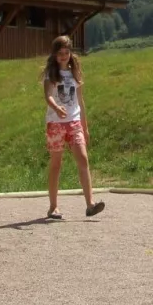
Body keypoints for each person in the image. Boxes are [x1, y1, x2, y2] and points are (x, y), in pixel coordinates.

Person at [42, 35, 104, 220]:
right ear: (54, 55)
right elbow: (48, 96)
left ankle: (90, 204)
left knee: (83, 159)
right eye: (60, 53)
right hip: (55, 124)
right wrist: (56, 107)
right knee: (56, 164)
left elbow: (80, 101)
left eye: (66, 52)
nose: (63, 56)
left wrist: (85, 127)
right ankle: (53, 207)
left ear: (70, 53)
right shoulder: (51, 74)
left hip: (74, 122)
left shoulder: (75, 74)